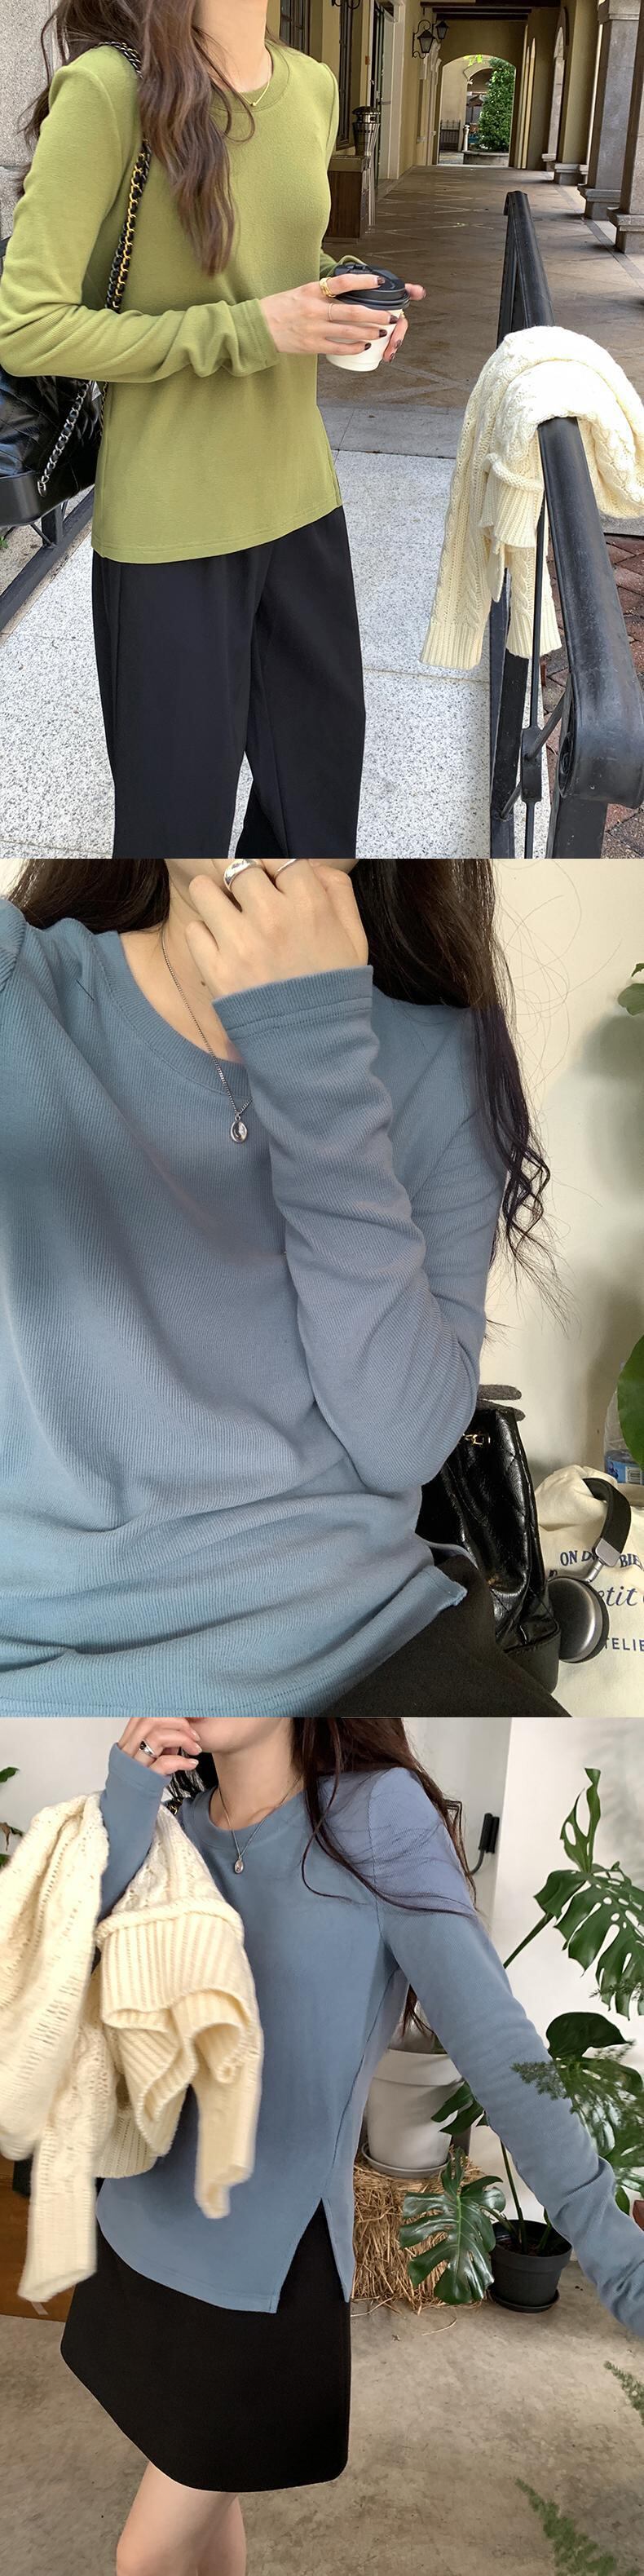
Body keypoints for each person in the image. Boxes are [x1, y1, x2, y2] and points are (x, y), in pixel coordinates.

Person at [60, 1715, 644, 2576]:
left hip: (260, 2271)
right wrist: (127, 1796)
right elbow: (60, 1988)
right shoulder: (172, 1826)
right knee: (205, 2505)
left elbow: (500, 2051)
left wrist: (621, 2261)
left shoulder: (376, 1815)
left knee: (145, 2554)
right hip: (137, 2232)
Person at [0, 855, 571, 1718]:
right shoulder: (22, 992)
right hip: (50, 1669)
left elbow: (403, 1442)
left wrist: (315, 1057)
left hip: (366, 1649)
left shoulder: (445, 1059)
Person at [0, 0, 425, 859]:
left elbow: (266, 259)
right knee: (175, 840)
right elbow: (27, 327)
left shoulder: (312, 86)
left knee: (317, 821)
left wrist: (342, 293)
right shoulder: (109, 90)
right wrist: (257, 329)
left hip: (300, 500)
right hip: (170, 525)